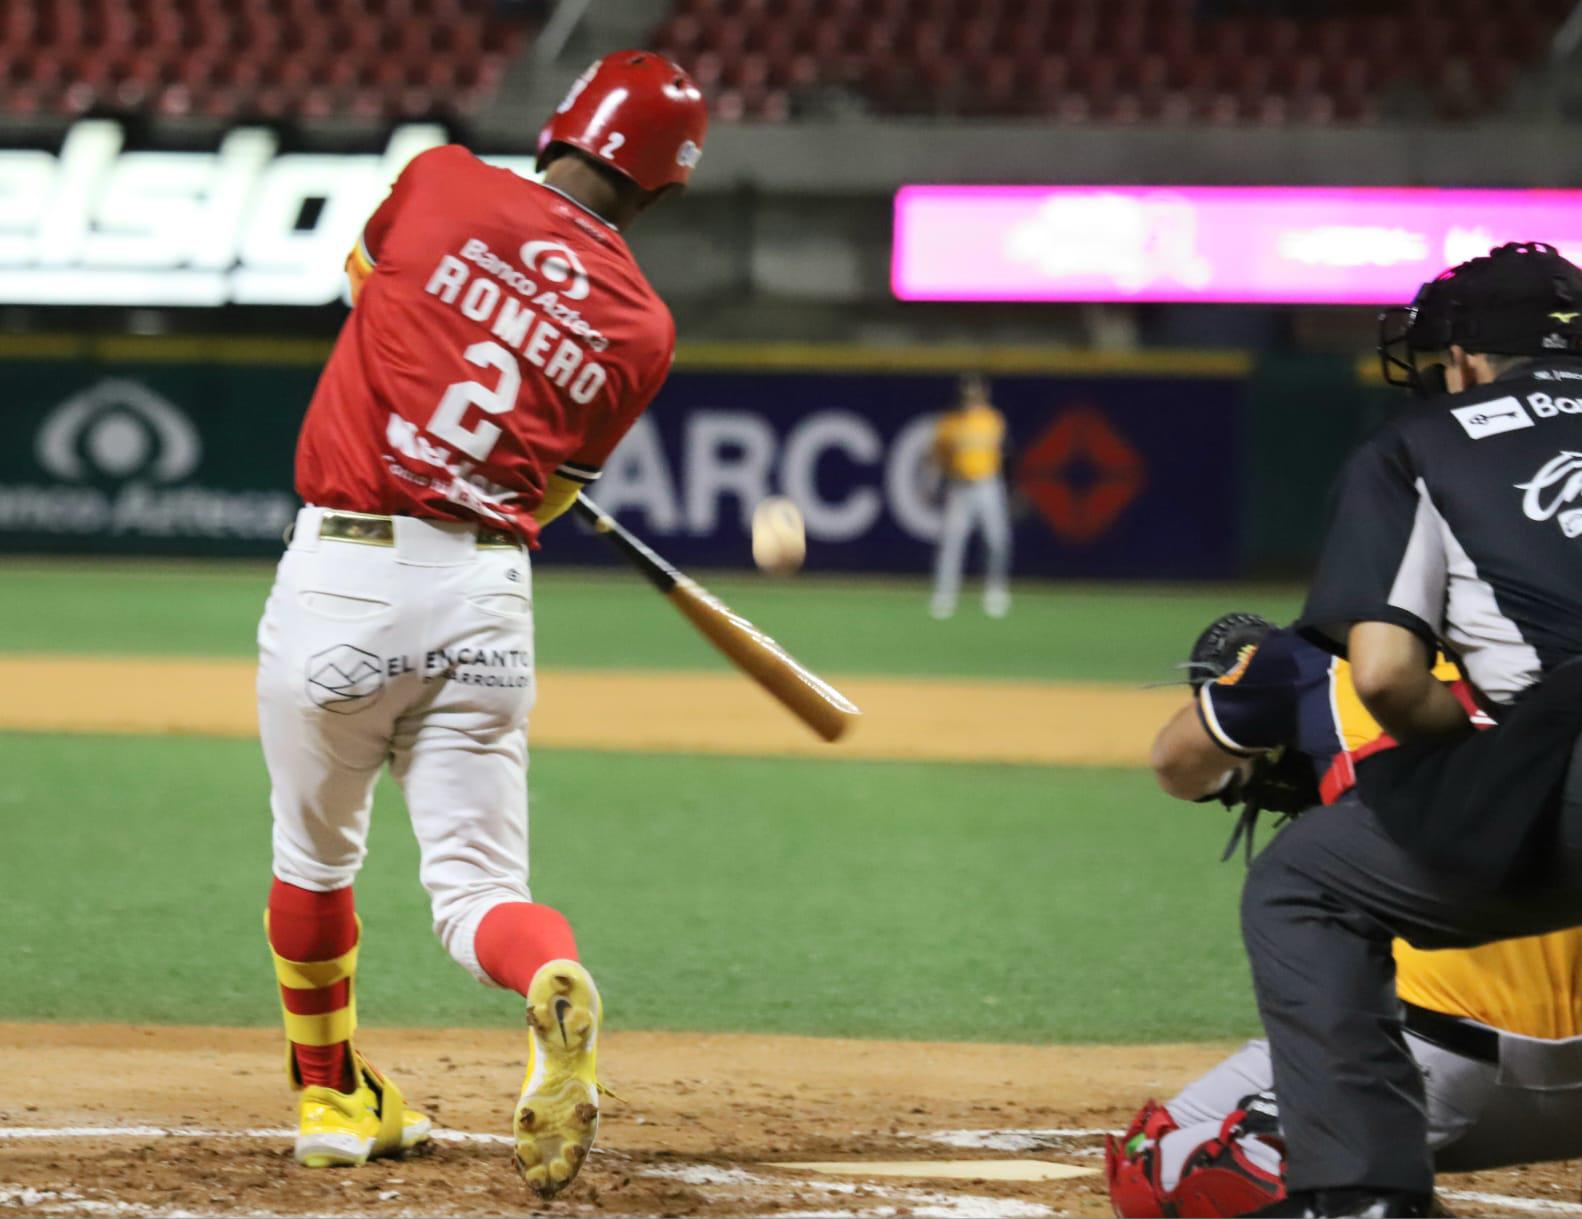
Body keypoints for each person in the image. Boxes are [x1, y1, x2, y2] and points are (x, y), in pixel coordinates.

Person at [254, 51, 706, 1198]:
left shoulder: (442, 179)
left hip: (348, 571)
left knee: (314, 856)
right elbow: (551, 492)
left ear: (561, 125)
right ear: (661, 188)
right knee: (476, 891)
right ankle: (551, 971)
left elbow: (369, 291)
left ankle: (328, 1095)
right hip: (487, 594)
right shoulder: (644, 329)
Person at [1226, 242, 1582, 1217]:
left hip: (1563, 754)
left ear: (1462, 357)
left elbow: (1383, 676)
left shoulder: (1423, 441)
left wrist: (1472, 735)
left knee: (1302, 885)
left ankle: (1364, 1194)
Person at [1107, 616, 1582, 1217]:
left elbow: (1176, 764)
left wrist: (1265, 741)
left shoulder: (1316, 657)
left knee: (1167, 1167)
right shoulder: (1559, 645)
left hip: (1434, 1067)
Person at [928, 373, 1012, 619]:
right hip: (959, 487)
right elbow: (937, 458)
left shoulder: (994, 420)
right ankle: (945, 596)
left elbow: (1007, 456)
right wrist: (933, 485)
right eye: (967, 391)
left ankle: (995, 591)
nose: (970, 396)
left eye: (974, 391)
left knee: (997, 540)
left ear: (983, 392)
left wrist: (1012, 488)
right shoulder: (949, 423)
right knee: (952, 543)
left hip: (988, 485)